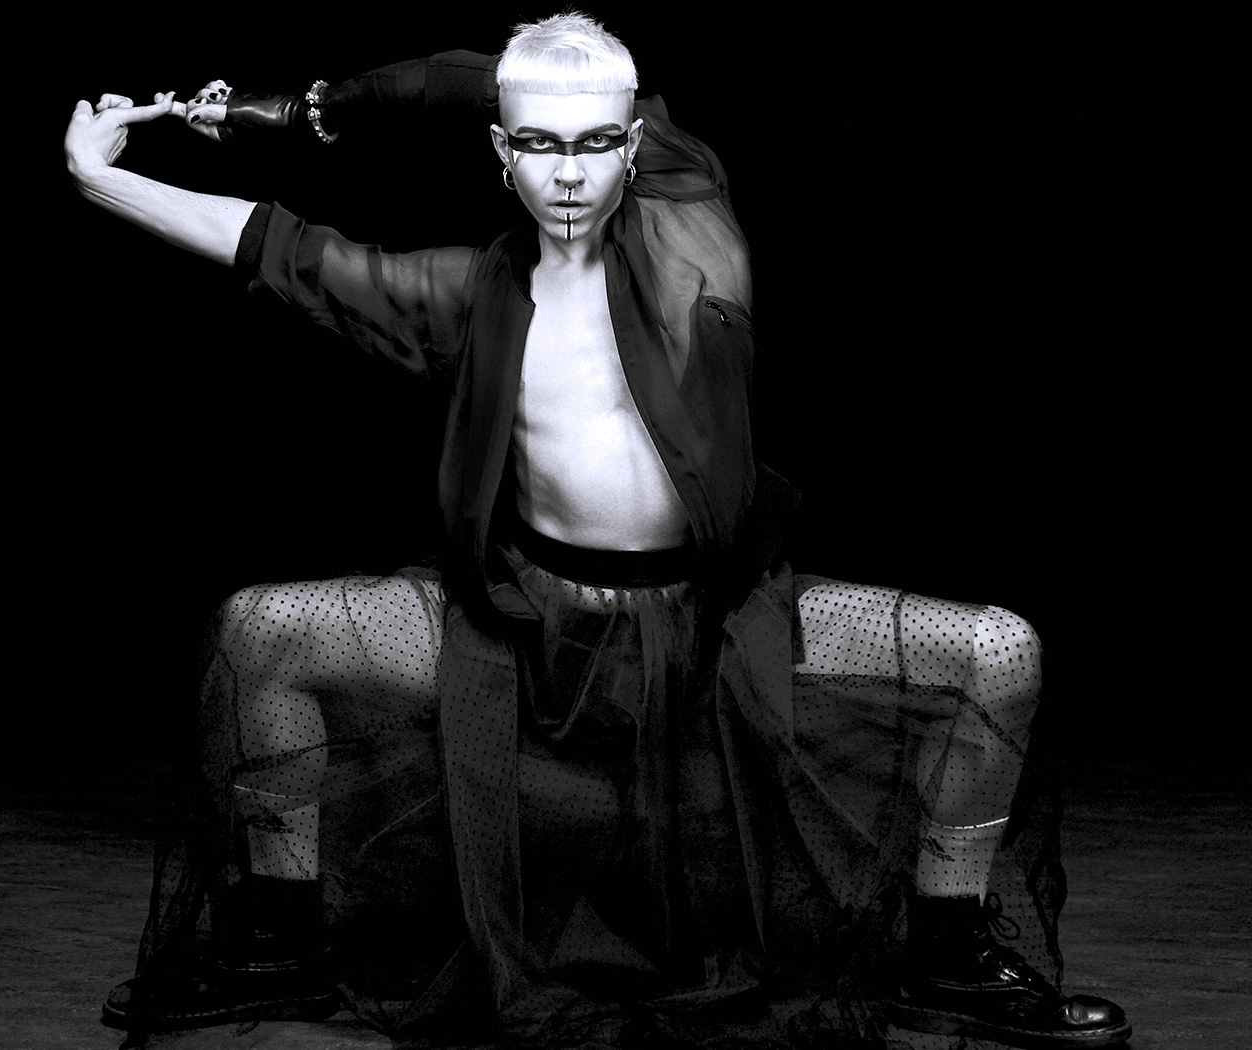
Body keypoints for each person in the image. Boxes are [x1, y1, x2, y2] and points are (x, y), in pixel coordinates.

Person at [65, 13, 1130, 1049]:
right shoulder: (465, 294)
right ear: (500, 152)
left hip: (718, 633)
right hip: (522, 634)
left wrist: (320, 107)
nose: (567, 173)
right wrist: (98, 178)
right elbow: (278, 248)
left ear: (631, 148)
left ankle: (947, 951)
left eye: (592, 144)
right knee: (262, 632)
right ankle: (276, 944)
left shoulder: (694, 235)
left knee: (995, 653)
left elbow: (495, 81)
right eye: (537, 144)